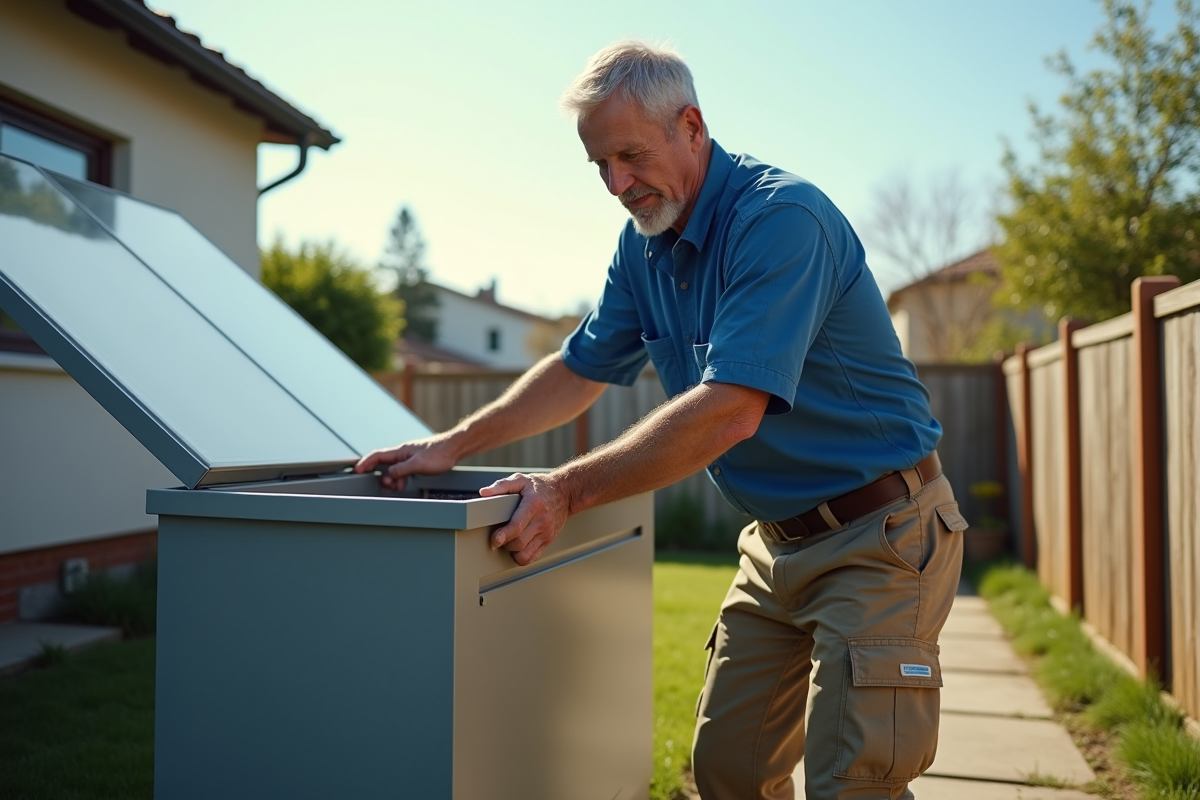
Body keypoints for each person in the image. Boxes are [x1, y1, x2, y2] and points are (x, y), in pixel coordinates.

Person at [355, 41, 966, 800]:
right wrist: (451, 445)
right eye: (600, 165)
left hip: (881, 535)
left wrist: (565, 491)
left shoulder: (781, 220)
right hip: (776, 546)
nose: (617, 184)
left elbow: (729, 412)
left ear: (692, 125)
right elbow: (579, 368)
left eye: (631, 156)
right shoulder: (643, 247)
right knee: (730, 771)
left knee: (854, 784)